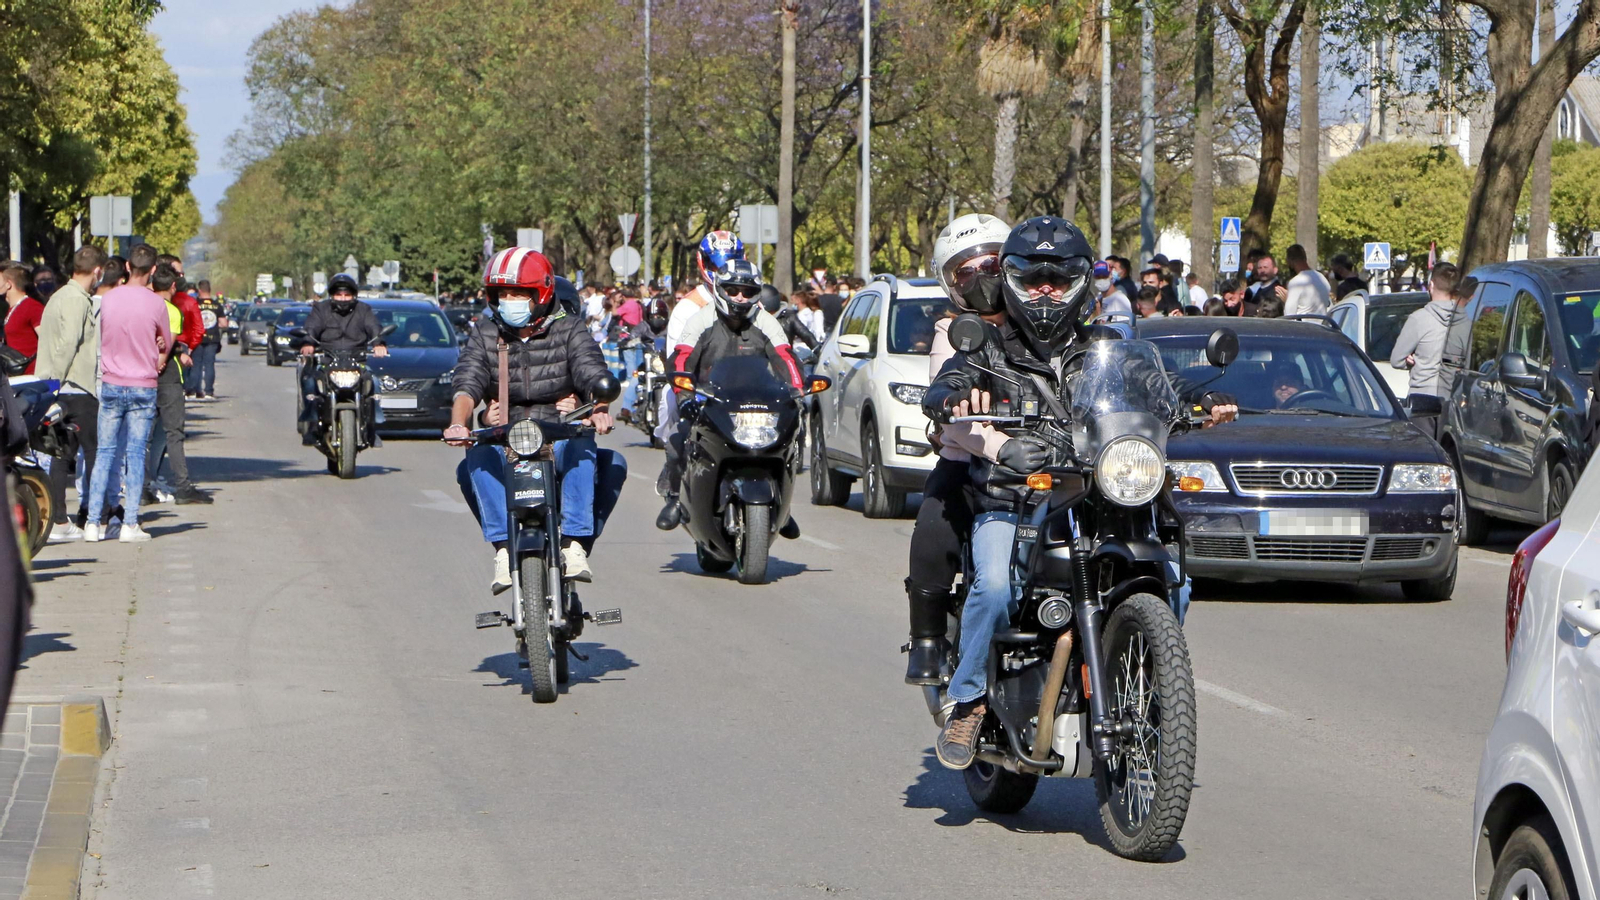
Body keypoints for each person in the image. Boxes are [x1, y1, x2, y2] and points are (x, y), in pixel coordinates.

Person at [920, 216, 1237, 770]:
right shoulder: (987, 344)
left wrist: (1200, 402)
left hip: (1097, 491)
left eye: (1060, 276)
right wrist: (951, 397)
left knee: (1174, 581)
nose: (1047, 288)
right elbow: (953, 376)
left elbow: (1153, 386)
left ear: (1081, 281)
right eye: (1033, 276)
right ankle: (967, 701)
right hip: (1013, 494)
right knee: (994, 586)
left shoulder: (1106, 344)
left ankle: (1145, 678)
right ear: (1010, 279)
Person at [446, 247, 616, 589]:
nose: (509, 300)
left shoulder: (569, 329)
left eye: (518, 293)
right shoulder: (486, 332)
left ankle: (574, 544)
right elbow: (467, 382)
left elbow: (591, 371)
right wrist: (459, 423)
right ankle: (503, 548)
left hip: (559, 433)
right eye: (502, 294)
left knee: (587, 451)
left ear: (541, 293)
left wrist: (597, 409)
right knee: (473, 462)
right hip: (504, 437)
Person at [902, 212, 1008, 684]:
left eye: (993, 264)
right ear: (951, 283)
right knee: (934, 519)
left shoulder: (1042, 324)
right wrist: (1001, 446)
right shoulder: (953, 331)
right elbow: (956, 419)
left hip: (1052, 463)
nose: (983, 279)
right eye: (967, 272)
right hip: (973, 463)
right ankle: (926, 640)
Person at [655, 259, 804, 531]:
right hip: (710, 400)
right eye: (733, 290)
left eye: (747, 292)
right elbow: (681, 360)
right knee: (678, 439)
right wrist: (685, 395)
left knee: (790, 440)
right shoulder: (700, 320)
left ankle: (783, 506)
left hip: (759, 402)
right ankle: (676, 498)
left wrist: (798, 391)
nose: (740, 297)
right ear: (720, 290)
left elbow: (786, 358)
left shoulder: (767, 322)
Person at [83, 245, 171, 544]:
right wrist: (156, 351)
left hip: (111, 382)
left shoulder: (108, 300)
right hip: (143, 385)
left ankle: (93, 522)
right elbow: (165, 346)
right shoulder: (157, 304)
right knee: (135, 454)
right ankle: (129, 523)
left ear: (128, 267)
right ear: (153, 270)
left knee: (104, 453)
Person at [36, 245, 106, 541]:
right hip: (75, 386)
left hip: (59, 388)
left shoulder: (58, 297)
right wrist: (56, 379)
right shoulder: (78, 301)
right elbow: (68, 343)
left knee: (61, 456)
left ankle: (59, 520)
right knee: (94, 452)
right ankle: (93, 516)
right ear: (98, 271)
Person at [144, 258, 209, 505]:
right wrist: (163, 360)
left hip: (141, 374)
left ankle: (142, 485)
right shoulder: (172, 310)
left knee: (144, 434)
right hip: (168, 375)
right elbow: (169, 344)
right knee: (174, 432)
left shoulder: (143, 305)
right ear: (172, 285)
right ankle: (183, 486)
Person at [297, 273, 389, 443]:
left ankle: (371, 426)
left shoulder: (364, 310)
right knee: (309, 381)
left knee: (374, 382)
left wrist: (379, 343)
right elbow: (312, 326)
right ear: (332, 295)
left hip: (357, 361)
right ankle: (312, 425)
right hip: (327, 361)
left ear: (354, 295)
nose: (343, 298)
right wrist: (308, 343)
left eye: (347, 295)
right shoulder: (321, 309)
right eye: (339, 295)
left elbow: (373, 326)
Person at [1390, 262, 1461, 398]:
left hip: (1422, 395)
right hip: (1452, 395)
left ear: (1432, 285)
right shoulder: (1464, 320)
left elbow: (1396, 360)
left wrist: (1412, 359)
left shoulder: (1419, 319)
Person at [186, 280, 225, 400]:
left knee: (196, 365)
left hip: (198, 338)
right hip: (212, 338)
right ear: (209, 290)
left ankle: (192, 391)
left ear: (200, 291)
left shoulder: (195, 304)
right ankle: (209, 391)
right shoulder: (217, 305)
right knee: (209, 365)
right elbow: (224, 323)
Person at [2, 265, 44, 374]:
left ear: (8, 284)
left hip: (31, 377)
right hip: (15, 376)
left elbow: (47, 340)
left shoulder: (32, 306)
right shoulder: (11, 308)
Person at [758, 285, 819, 351]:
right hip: (758, 358)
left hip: (783, 358)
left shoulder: (789, 317)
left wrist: (819, 352)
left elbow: (807, 336)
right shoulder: (752, 318)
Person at [1283, 244, 1331, 317]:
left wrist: (1286, 300)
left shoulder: (1296, 282)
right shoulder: (1322, 278)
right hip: (1322, 325)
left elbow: (1289, 315)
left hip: (1304, 326)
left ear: (1290, 261)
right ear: (1305, 258)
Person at [1089, 260, 1132, 325]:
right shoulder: (1098, 299)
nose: (1101, 280)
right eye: (1098, 277)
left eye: (1104, 276)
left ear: (1111, 275)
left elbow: (1125, 329)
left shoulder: (1120, 300)